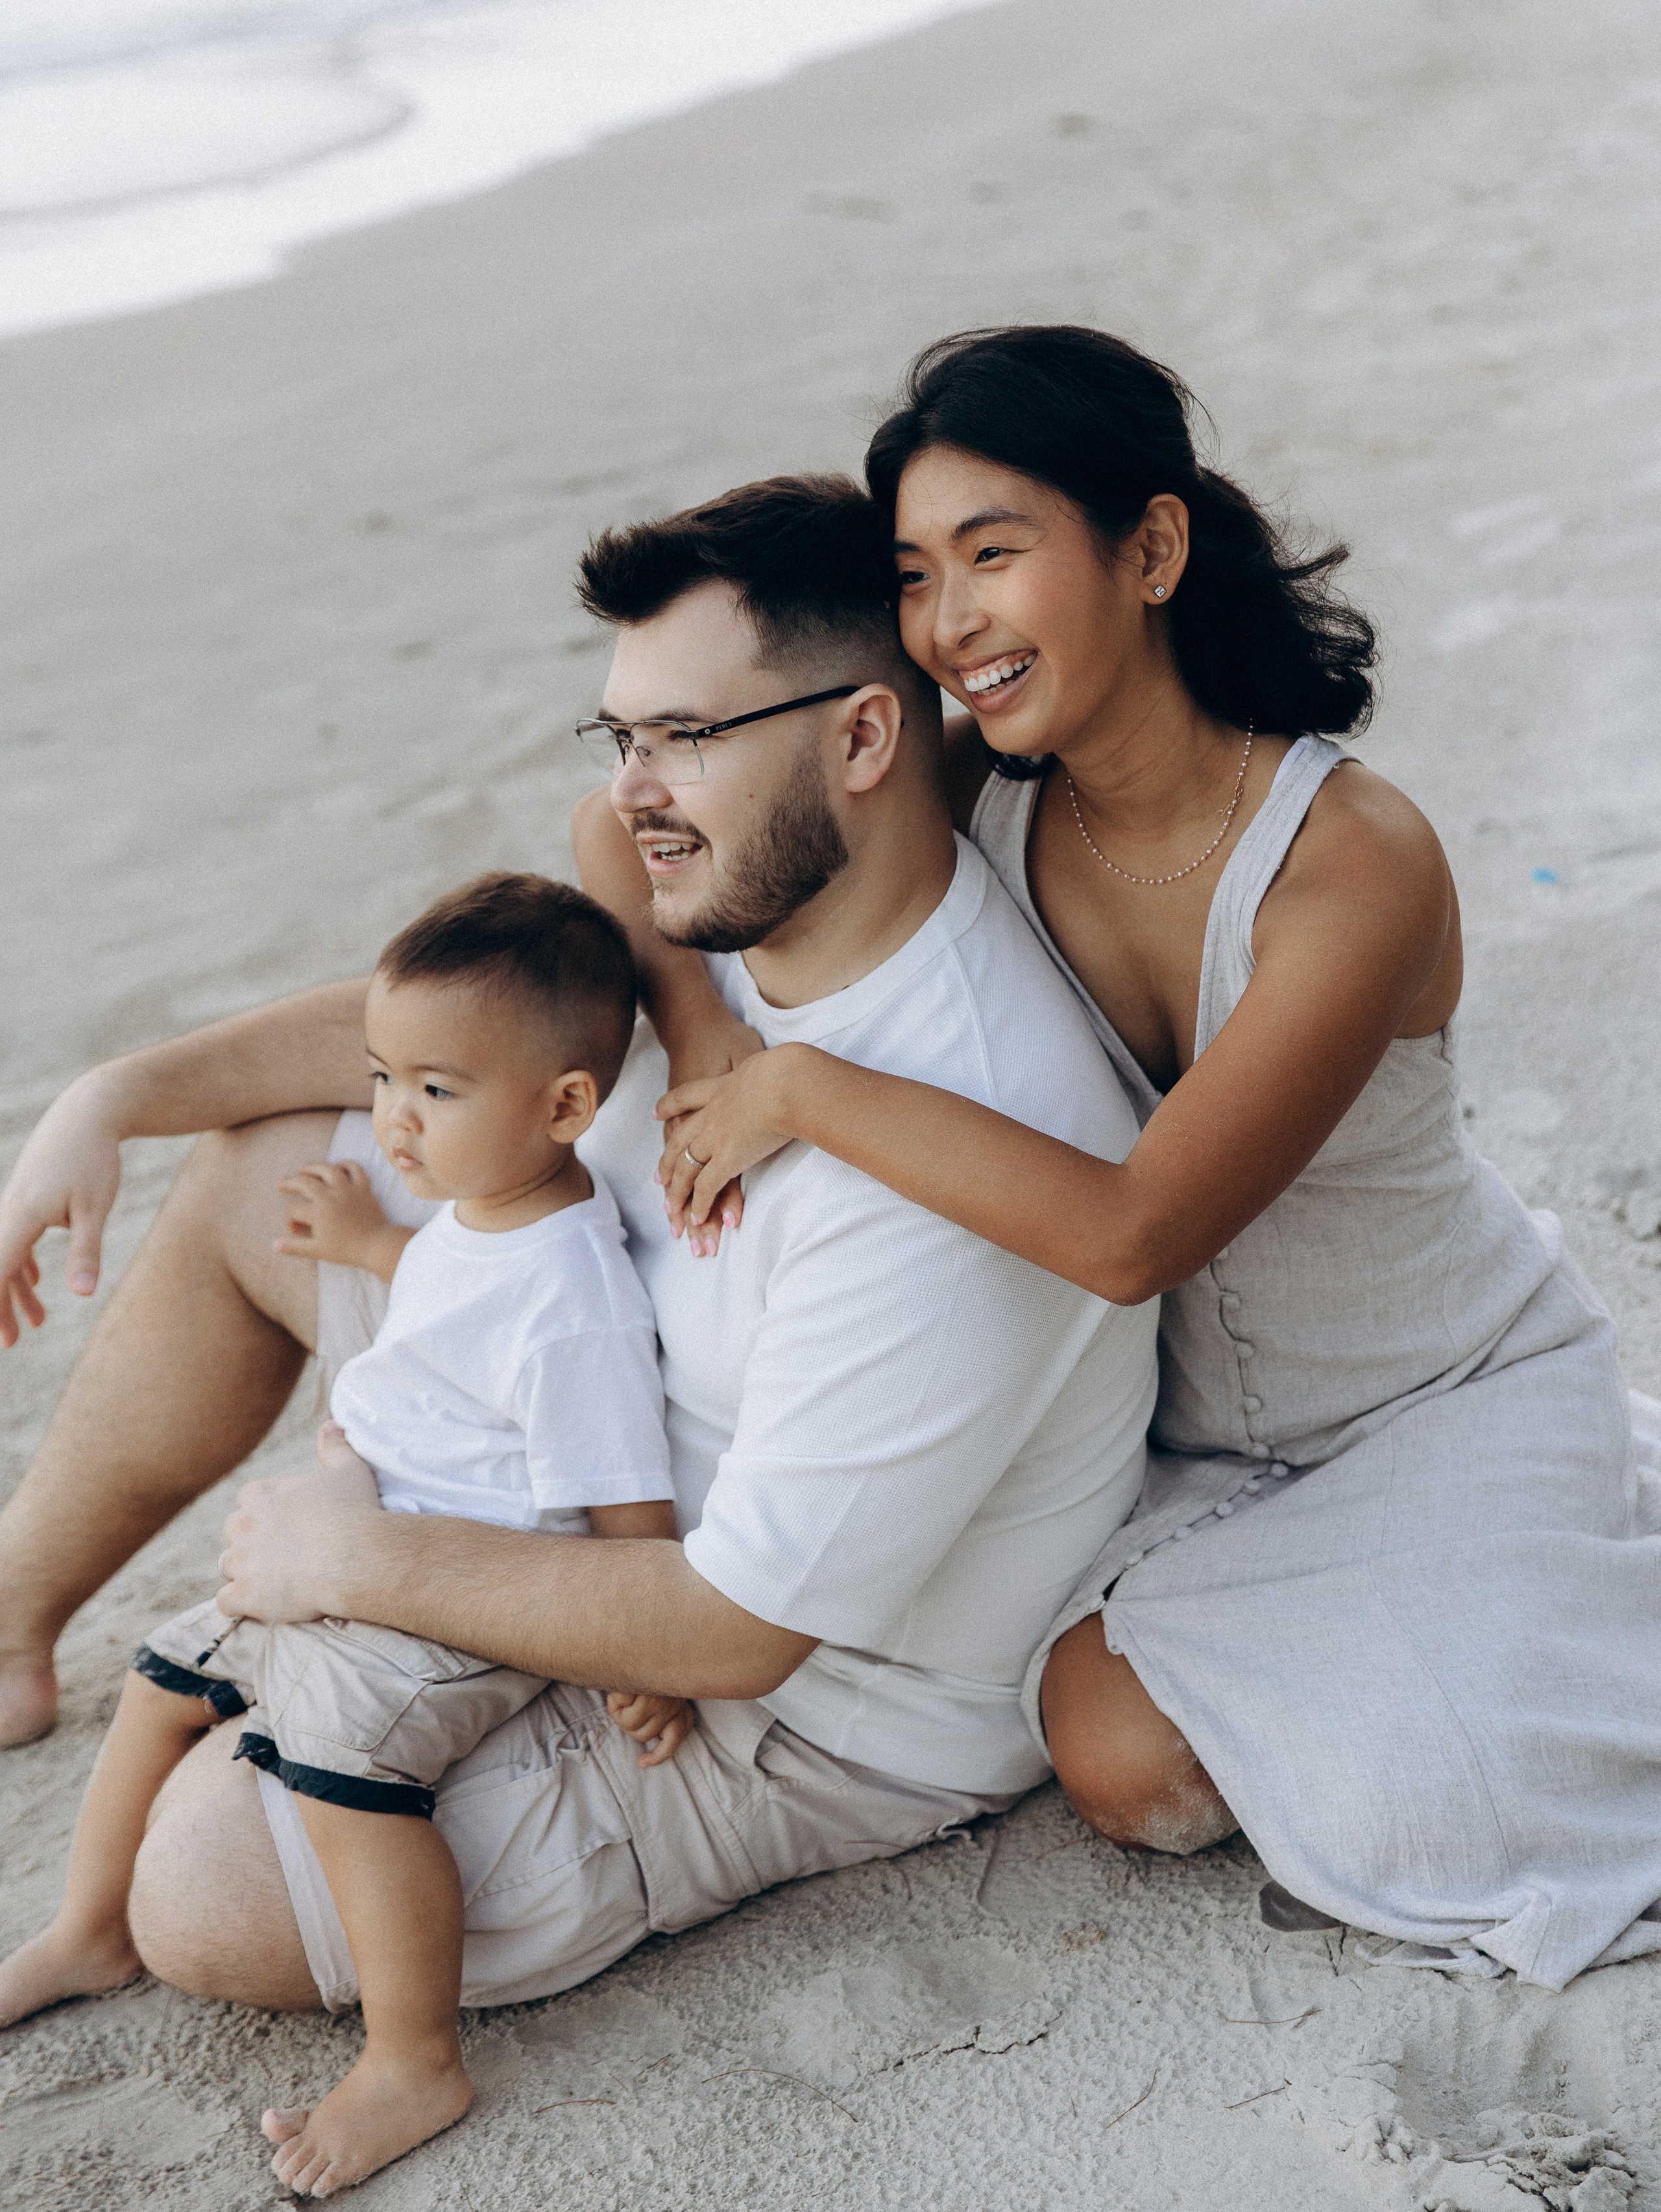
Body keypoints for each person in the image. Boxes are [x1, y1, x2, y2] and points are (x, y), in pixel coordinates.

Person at [0, 479, 1157, 2097]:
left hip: (783, 1699)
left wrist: (361, 1557)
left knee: (193, 1887)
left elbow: (736, 1628)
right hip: (578, 1397)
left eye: (682, 738)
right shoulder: (741, 902)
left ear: (861, 738)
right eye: (620, 734)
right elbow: (462, 1031)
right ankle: (12, 1619)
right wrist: (114, 1094)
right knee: (268, 1170)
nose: (633, 792)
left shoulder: (952, 1152)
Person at [638, 328, 1661, 1992]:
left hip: (1429, 1397)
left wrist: (804, 1089)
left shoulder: (1347, 858)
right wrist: (702, 1034)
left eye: (992, 553)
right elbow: (634, 819)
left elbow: (1132, 1233)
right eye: (913, 578)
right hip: (1175, 1453)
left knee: (1411, 1798)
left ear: (1153, 548)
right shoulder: (977, 787)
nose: (947, 626)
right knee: (1113, 1750)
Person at [0, 872, 690, 2196]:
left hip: (458, 1597)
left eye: (435, 1088)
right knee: (159, 1679)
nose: (393, 1116)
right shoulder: (486, 1208)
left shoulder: (577, 1295)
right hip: (358, 1547)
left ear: (564, 1107)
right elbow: (450, 1294)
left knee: (342, 1773)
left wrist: (643, 1659)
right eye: (383, 1077)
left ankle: (413, 2055)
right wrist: (372, 1242)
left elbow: (625, 1505)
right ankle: (88, 1929)